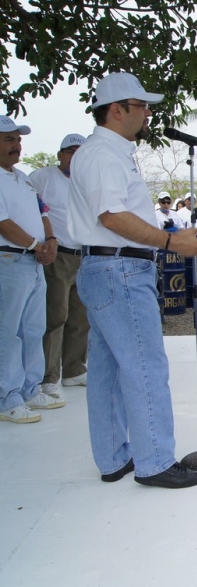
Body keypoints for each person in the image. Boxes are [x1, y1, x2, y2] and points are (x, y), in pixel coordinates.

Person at [69, 72, 197, 487]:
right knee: (145, 365)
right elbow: (111, 216)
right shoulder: (102, 155)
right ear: (117, 110)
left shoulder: (106, 153)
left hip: (108, 268)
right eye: (141, 105)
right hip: (120, 269)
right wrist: (170, 241)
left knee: (109, 369)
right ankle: (155, 461)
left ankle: (114, 458)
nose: (148, 112)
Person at [0, 115, 64, 424]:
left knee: (32, 329)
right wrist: (36, 246)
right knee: (7, 333)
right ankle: (6, 397)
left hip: (32, 262)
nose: (16, 145)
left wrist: (50, 239)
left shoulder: (22, 178)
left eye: (18, 139)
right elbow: (3, 224)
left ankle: (29, 389)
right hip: (9, 260)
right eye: (8, 139)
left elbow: (43, 212)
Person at [30, 133, 90, 399]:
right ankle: (48, 376)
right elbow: (29, 209)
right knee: (55, 317)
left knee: (80, 318)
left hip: (84, 256)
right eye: (70, 151)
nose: (75, 156)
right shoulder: (43, 177)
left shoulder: (85, 182)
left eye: (80, 152)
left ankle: (74, 370)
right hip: (58, 256)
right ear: (60, 155)